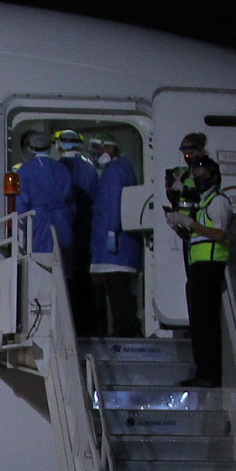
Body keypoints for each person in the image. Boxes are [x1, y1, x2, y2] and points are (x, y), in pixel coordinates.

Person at [167, 154, 232, 387]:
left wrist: (190, 224)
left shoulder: (218, 201)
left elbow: (219, 234)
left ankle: (210, 374)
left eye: (205, 174)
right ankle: (202, 371)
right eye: (197, 174)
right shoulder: (203, 202)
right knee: (198, 322)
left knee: (206, 322)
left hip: (211, 266)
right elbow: (195, 235)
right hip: (198, 267)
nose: (200, 178)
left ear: (215, 176)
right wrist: (179, 225)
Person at [89, 134, 144, 337]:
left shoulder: (114, 172)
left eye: (98, 149)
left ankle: (126, 329)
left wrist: (112, 230)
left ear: (110, 149)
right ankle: (126, 326)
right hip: (122, 242)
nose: (95, 154)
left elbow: (114, 203)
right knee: (119, 289)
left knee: (117, 289)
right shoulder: (123, 168)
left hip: (116, 243)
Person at [55, 129, 99, 328]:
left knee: (69, 278)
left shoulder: (59, 169)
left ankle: (75, 325)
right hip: (88, 227)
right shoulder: (89, 169)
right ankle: (88, 323)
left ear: (59, 145)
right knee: (84, 278)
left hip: (68, 227)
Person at [14, 131, 74, 258]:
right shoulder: (62, 168)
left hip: (37, 222)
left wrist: (21, 228)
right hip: (62, 221)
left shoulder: (24, 170)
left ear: (30, 148)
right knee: (62, 263)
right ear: (51, 147)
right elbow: (70, 198)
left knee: (39, 262)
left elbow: (21, 203)